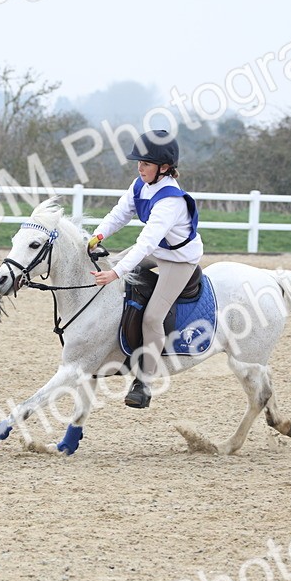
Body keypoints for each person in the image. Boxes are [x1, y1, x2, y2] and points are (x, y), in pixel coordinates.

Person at [88, 129, 204, 408]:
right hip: (157, 249)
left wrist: (116, 273)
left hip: (179, 260)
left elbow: (144, 244)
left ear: (164, 168)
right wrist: (97, 235)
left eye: (146, 163)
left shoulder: (171, 201)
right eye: (139, 162)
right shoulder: (140, 184)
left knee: (153, 317)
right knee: (111, 265)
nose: (140, 167)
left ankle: (144, 381)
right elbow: (119, 213)